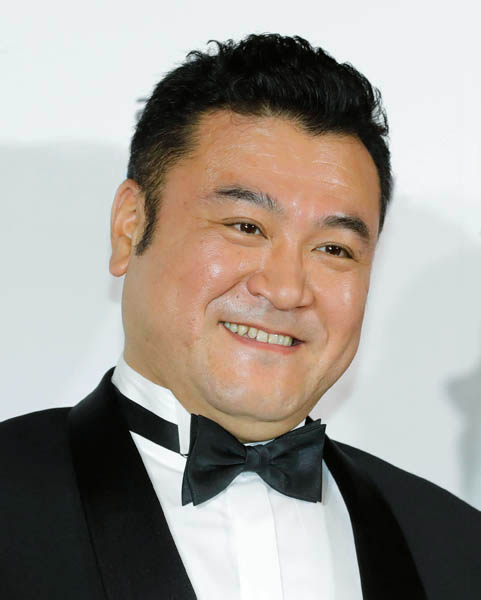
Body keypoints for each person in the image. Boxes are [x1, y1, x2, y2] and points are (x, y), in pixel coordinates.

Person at [1, 34, 479, 600]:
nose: (287, 290)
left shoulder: (455, 547)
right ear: (130, 226)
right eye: (246, 227)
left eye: (334, 249)